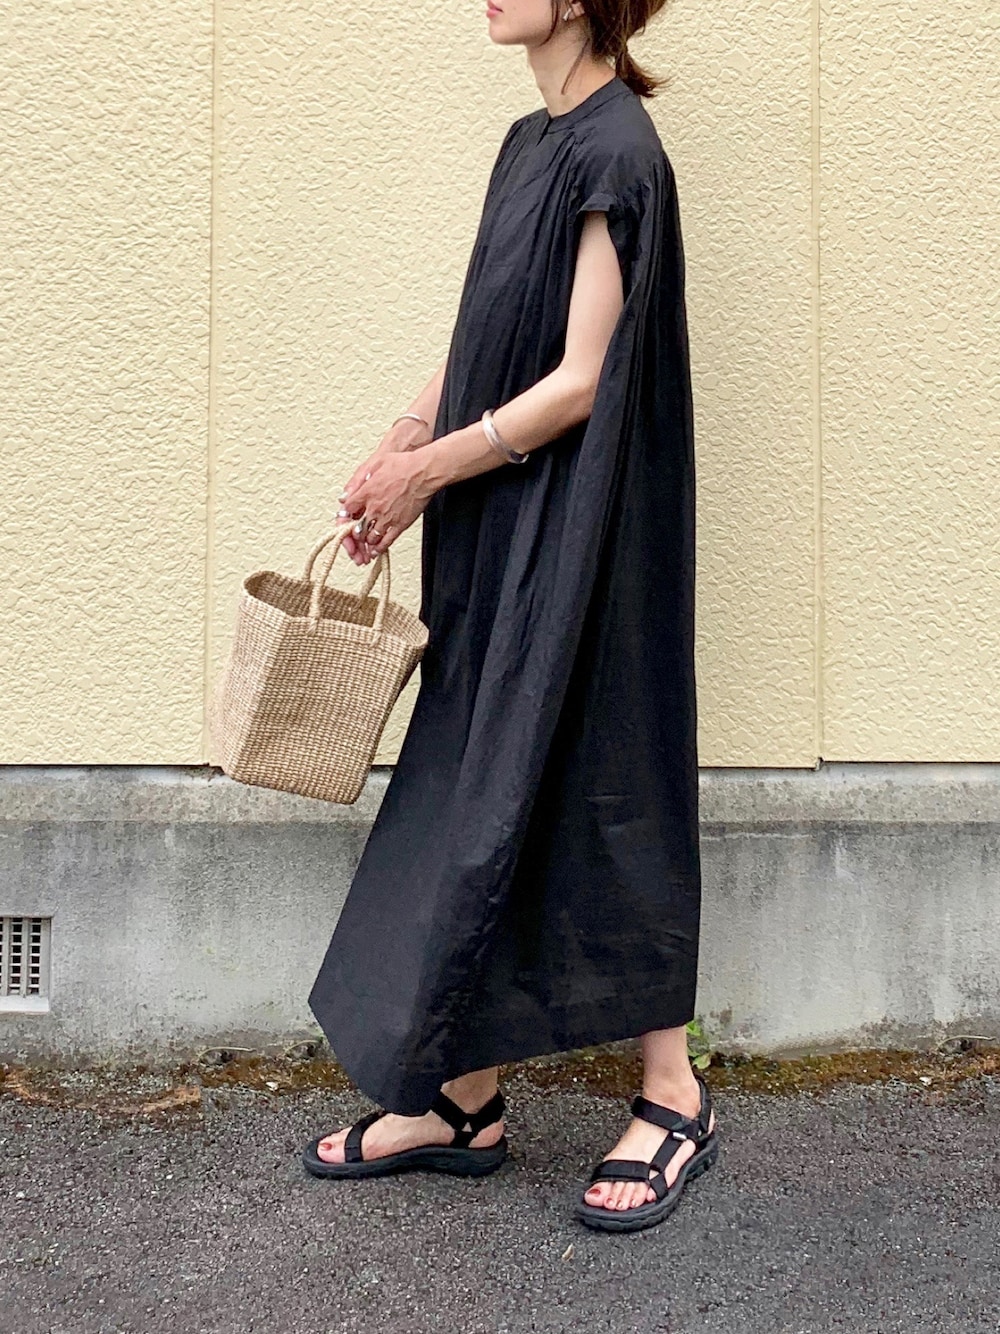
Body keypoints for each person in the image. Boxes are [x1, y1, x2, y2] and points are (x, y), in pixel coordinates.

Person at [302, 0, 717, 1234]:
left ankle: (674, 1093)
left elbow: (582, 381)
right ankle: (465, 1096)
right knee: (482, 778)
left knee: (604, 769)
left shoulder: (617, 149)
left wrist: (428, 473)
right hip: (503, 520)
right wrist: (403, 437)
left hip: (583, 527)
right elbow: (488, 330)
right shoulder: (531, 142)